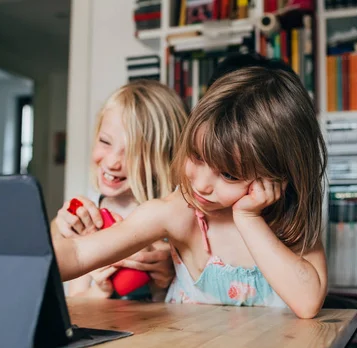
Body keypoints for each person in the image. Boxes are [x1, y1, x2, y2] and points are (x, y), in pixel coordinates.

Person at [54, 65, 328, 319]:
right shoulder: (177, 211)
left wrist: (249, 219)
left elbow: (307, 302)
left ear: (276, 175)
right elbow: (78, 254)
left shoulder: (288, 223)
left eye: (229, 175)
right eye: (196, 157)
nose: (201, 185)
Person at [51, 79, 188, 300]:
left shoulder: (173, 216)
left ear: (161, 158)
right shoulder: (90, 216)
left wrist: (164, 283)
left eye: (132, 153)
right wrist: (101, 290)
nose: (113, 162)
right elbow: (76, 301)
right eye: (105, 142)